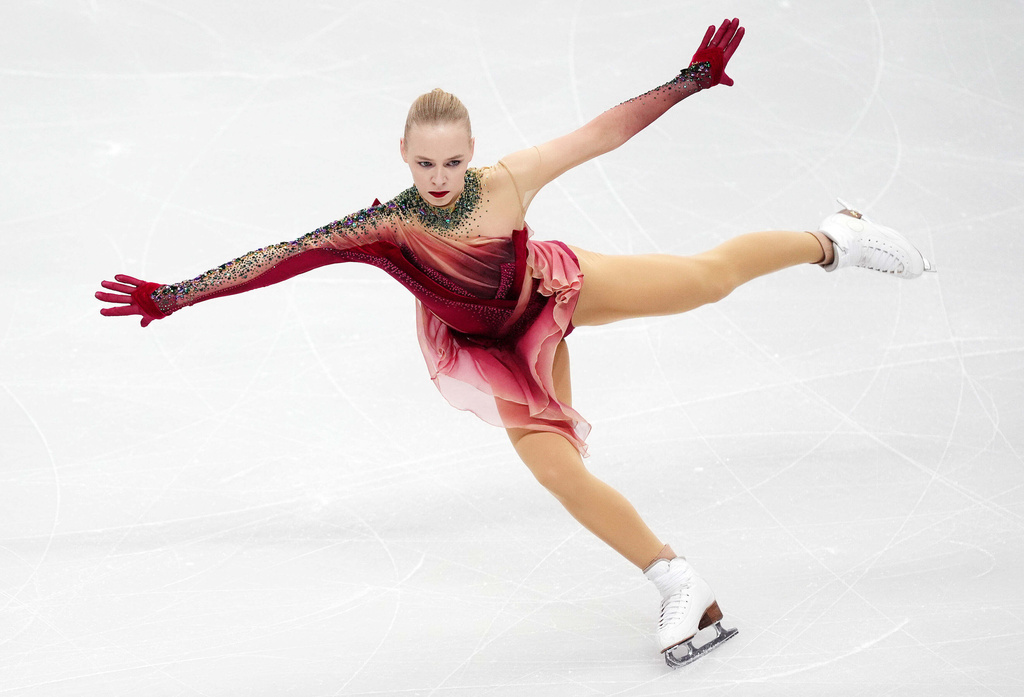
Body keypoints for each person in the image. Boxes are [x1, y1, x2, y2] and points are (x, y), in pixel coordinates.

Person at [95, 18, 932, 667]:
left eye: (453, 160)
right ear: (403, 156)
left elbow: (601, 133)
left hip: (553, 286)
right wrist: (176, 294)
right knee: (558, 467)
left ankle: (835, 240)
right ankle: (681, 581)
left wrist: (689, 81)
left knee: (706, 279)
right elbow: (284, 257)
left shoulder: (505, 183)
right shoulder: (383, 226)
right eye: (425, 163)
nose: (440, 177)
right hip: (495, 345)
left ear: (471, 152)